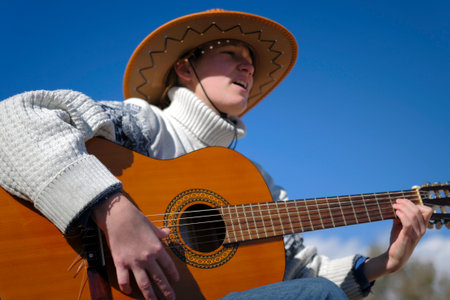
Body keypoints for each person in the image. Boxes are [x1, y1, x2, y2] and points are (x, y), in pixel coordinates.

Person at [0, 9, 432, 300]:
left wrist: (383, 264)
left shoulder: (257, 183)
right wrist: (114, 212)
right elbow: (12, 121)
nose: (248, 67)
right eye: (231, 55)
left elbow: (296, 275)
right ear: (185, 69)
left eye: (250, 63)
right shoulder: (142, 125)